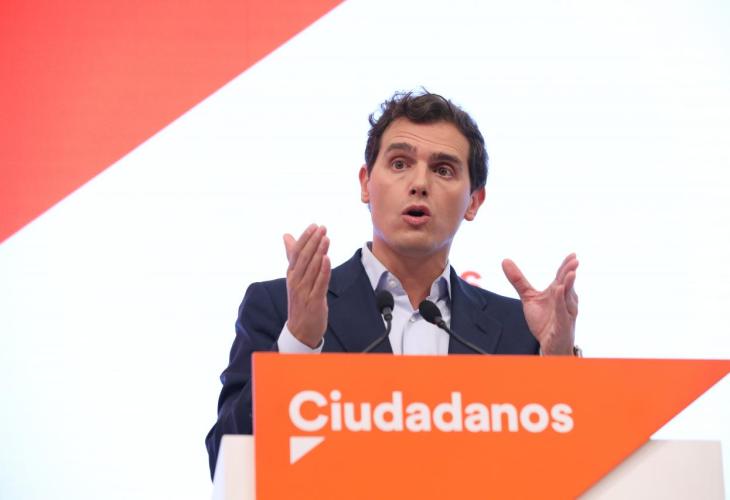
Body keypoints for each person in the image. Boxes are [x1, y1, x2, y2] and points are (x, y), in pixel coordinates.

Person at [205, 91, 579, 478]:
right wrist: (300, 340)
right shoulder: (281, 307)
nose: (419, 184)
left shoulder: (519, 330)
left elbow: (569, 470)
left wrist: (559, 363)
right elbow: (228, 464)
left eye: (443, 170)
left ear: (474, 201)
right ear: (366, 184)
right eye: (400, 164)